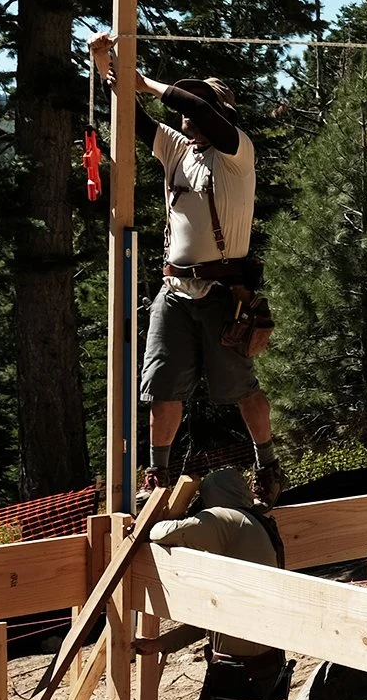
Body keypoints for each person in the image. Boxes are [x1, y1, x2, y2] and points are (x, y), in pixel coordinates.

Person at [90, 31, 283, 506]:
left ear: (219, 114)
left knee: (241, 388)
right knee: (161, 385)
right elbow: (129, 114)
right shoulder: (178, 150)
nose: (186, 113)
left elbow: (178, 103)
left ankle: (268, 469)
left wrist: (147, 83)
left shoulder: (238, 153)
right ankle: (157, 475)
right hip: (175, 290)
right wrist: (103, 62)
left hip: (224, 295)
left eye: (198, 106)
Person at [142, 467, 289, 700]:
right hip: (267, 662)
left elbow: (163, 533)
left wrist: (151, 523)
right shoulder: (261, 524)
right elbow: (222, 613)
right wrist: (164, 642)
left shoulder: (224, 518)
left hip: (234, 670)